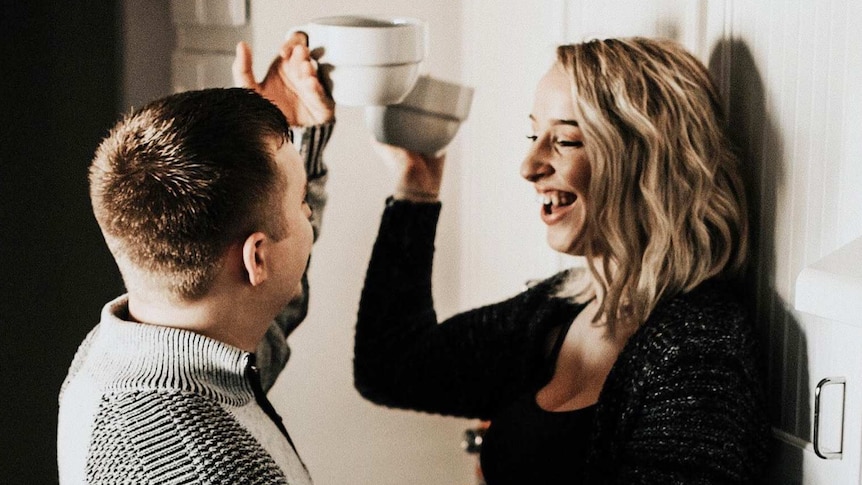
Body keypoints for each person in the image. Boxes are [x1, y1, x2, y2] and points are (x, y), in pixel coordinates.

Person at [354, 37, 769, 484]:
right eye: (535, 135)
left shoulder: (699, 352)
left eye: (565, 140)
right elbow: (393, 366)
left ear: (648, 160)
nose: (529, 165)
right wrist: (416, 189)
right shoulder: (560, 308)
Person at [57, 32, 335, 484]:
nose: (309, 212)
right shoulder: (215, 470)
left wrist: (274, 136)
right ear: (255, 259)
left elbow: (268, 318)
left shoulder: (120, 354)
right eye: (302, 201)